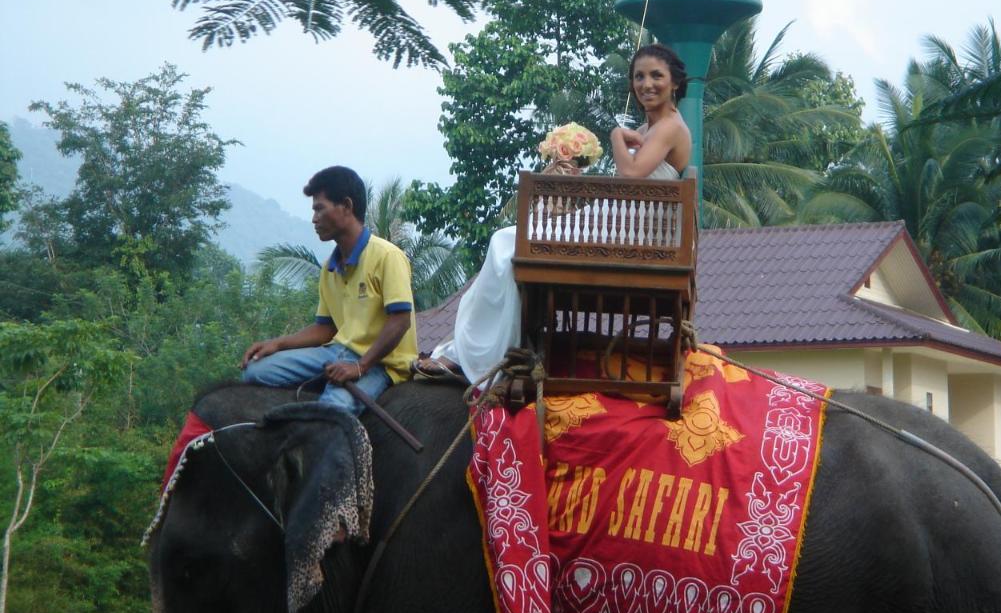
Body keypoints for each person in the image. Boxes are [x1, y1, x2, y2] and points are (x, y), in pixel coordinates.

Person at [414, 44, 692, 384]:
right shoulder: (654, 128)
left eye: (656, 76)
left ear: (675, 82)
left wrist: (617, 135)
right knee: (511, 240)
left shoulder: (668, 126)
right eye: (639, 76)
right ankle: (479, 346)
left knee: (507, 241)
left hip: (634, 232)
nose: (646, 84)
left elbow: (633, 175)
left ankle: (473, 353)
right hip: (628, 222)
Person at [241, 166, 418, 414]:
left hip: (381, 363)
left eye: (319, 208)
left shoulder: (388, 256)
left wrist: (360, 367)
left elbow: (400, 321)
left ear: (346, 206)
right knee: (255, 371)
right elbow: (325, 329)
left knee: (333, 408)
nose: (314, 219)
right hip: (335, 352)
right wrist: (277, 344)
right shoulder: (330, 269)